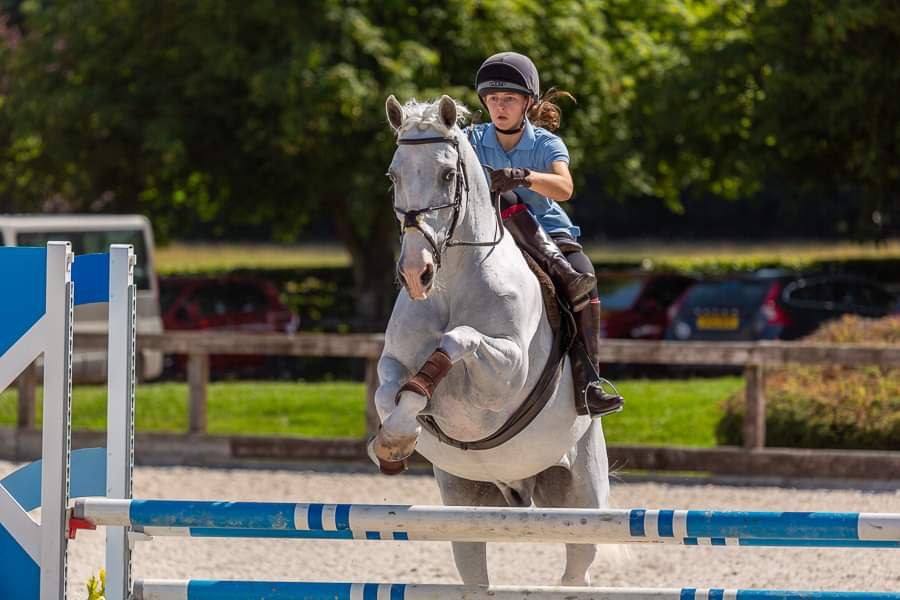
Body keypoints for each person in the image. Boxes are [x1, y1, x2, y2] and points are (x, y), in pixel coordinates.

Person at [466, 51, 623, 418]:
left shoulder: (547, 144)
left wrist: (523, 176)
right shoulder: (470, 137)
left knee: (585, 275)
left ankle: (588, 383)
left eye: (508, 99)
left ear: (528, 103)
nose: (499, 106)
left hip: (548, 234)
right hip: (486, 235)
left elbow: (564, 188)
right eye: (492, 99)